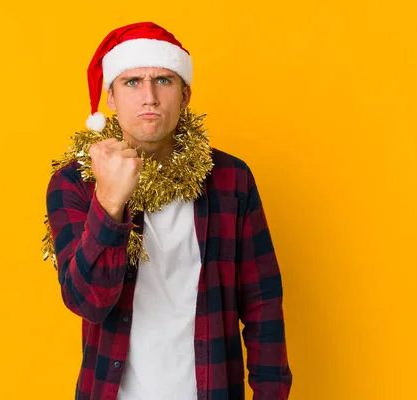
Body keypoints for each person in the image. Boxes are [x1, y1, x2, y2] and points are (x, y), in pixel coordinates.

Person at [45, 21, 292, 400]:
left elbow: (263, 304)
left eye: (163, 80)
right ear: (110, 97)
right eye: (132, 82)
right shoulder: (75, 183)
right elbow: (87, 301)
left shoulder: (231, 180)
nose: (149, 97)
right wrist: (110, 201)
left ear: (186, 94)